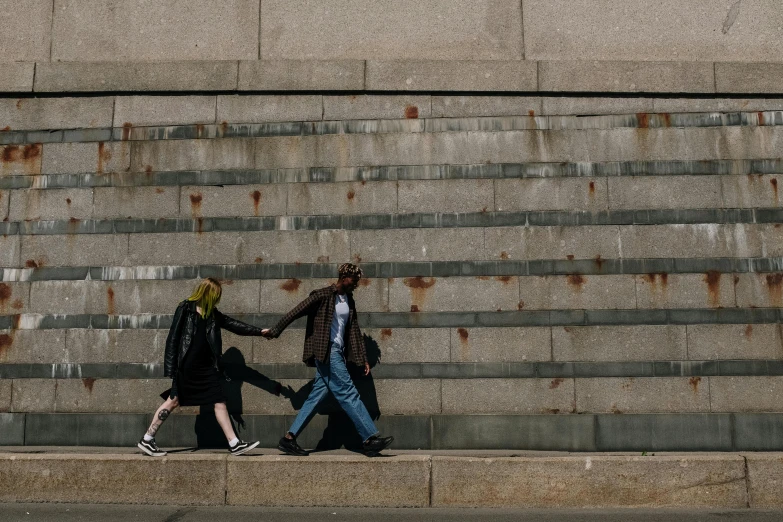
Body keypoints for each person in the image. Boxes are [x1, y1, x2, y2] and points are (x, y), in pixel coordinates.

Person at [261, 263, 394, 457]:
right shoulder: (323, 295)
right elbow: (295, 311)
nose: (356, 284)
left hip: (338, 351)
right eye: (353, 280)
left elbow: (354, 330)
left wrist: (363, 358)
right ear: (343, 276)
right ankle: (369, 438)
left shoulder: (349, 300)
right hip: (327, 350)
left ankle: (288, 439)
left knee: (316, 397)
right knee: (348, 392)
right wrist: (275, 331)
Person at [137, 278, 263, 457]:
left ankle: (234, 443)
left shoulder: (213, 313)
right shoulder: (185, 308)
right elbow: (173, 338)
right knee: (173, 400)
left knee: (219, 401)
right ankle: (147, 439)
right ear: (208, 293)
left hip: (206, 367)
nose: (218, 299)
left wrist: (259, 332)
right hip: (187, 366)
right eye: (216, 295)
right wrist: (171, 368)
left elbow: (233, 325)